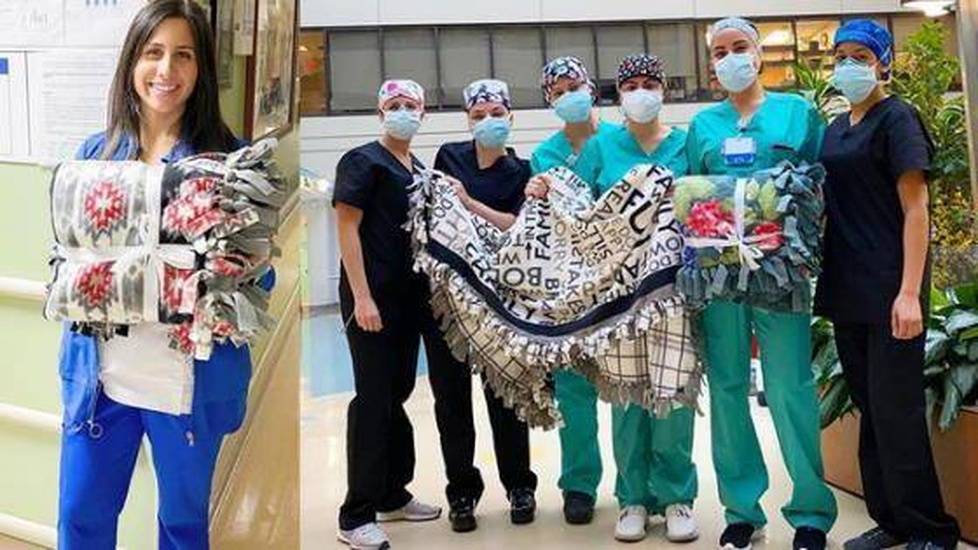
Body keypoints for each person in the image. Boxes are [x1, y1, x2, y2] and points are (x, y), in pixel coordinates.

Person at [57, 2, 273, 548]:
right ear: (132, 62)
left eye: (183, 55)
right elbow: (69, 256)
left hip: (185, 385)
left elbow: (260, 284)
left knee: (182, 525)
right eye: (153, 53)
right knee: (80, 517)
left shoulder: (231, 162)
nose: (166, 70)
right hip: (102, 378)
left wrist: (237, 269)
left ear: (201, 70)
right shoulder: (95, 155)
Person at [685, 17, 838, 550]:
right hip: (721, 278)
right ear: (712, 63)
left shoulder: (798, 113)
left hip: (782, 277)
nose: (731, 58)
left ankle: (812, 513)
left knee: (790, 387)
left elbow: (823, 187)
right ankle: (741, 512)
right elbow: (690, 200)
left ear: (758, 53)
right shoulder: (703, 125)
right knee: (728, 388)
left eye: (740, 47)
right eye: (721, 51)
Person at [814, 19, 960, 550]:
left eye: (861, 56)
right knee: (869, 410)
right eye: (841, 56)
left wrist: (908, 292)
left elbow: (916, 209)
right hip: (847, 288)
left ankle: (932, 528)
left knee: (896, 411)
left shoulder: (897, 119)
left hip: (891, 290)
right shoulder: (835, 128)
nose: (848, 66)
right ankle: (892, 520)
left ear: (883, 62)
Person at [562, 53, 699, 544]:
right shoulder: (602, 148)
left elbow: (705, 204)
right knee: (626, 398)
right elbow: (575, 206)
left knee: (672, 391)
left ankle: (678, 496)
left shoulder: (686, 145)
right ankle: (634, 499)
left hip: (673, 293)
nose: (641, 91)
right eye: (631, 84)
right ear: (618, 95)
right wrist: (542, 187)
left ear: (664, 89)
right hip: (618, 297)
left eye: (650, 82)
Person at [333, 79, 441, 549]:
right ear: (380, 113)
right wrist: (362, 297)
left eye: (410, 106)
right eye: (393, 105)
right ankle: (356, 513)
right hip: (371, 300)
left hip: (407, 300)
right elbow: (347, 227)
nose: (402, 112)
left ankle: (392, 494)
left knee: (398, 393)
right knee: (373, 399)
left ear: (423, 112)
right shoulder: (362, 161)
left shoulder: (415, 167)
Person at [426, 78, 538, 533]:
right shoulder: (448, 157)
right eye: (478, 115)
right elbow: (434, 211)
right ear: (466, 121)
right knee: (451, 401)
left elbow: (516, 226)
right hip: (449, 299)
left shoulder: (524, 171)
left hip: (501, 301)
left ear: (510, 117)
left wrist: (469, 202)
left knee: (506, 394)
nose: (488, 122)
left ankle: (519, 485)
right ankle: (462, 492)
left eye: (496, 114)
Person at [524, 55, 618, 527]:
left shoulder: (620, 140)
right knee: (573, 389)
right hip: (570, 286)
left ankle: (639, 487)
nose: (567, 95)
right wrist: (536, 193)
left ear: (590, 85)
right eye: (557, 91)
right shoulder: (544, 156)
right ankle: (579, 485)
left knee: (629, 386)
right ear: (549, 99)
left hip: (622, 281)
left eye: (573, 85)